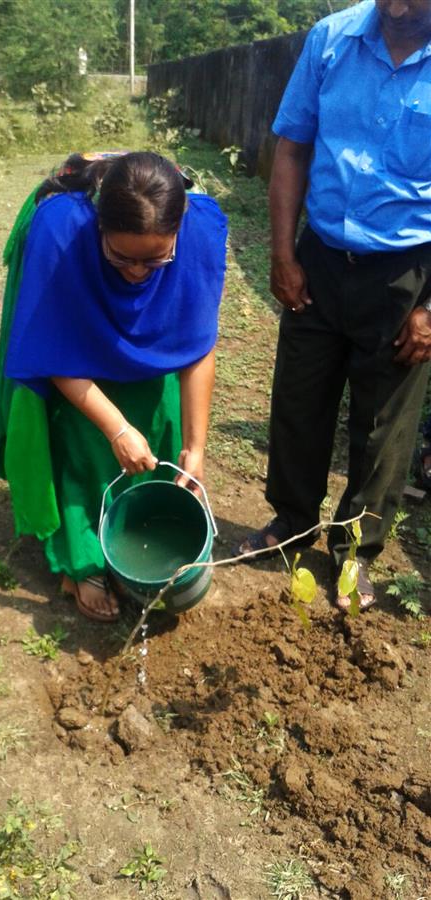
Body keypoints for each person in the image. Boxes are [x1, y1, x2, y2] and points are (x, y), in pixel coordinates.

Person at [235, 0, 431, 611]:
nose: (397, 10)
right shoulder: (331, 39)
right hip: (320, 256)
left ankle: (355, 553)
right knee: (300, 393)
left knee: (385, 424)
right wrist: (283, 254)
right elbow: (291, 149)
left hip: (407, 273)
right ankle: (290, 522)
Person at [0, 152, 227, 621]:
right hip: (73, 323)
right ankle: (84, 561)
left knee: (163, 419)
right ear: (99, 229)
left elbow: (196, 344)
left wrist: (196, 447)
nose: (137, 272)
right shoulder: (61, 231)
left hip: (147, 277)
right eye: (122, 257)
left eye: (155, 259)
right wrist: (115, 427)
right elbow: (52, 349)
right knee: (82, 441)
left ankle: (147, 532)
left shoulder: (200, 232)